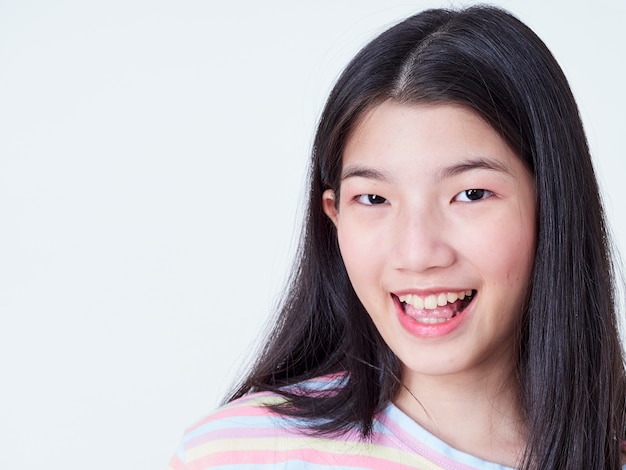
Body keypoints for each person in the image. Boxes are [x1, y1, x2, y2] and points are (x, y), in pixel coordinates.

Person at [169, 5, 626, 469]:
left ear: (553, 205)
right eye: (373, 199)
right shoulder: (236, 456)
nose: (417, 253)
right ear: (334, 216)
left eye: (470, 194)